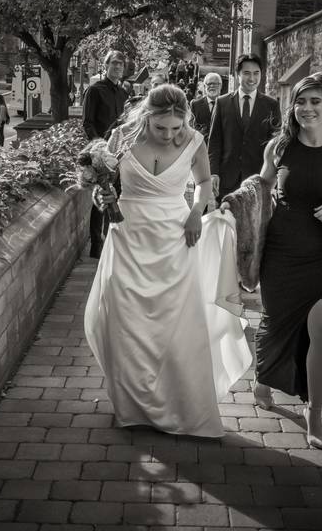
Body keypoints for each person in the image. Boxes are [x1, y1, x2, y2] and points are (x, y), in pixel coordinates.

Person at [85, 84, 252, 437]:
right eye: (161, 128)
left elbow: (204, 181)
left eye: (176, 128)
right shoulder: (122, 137)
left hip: (177, 239)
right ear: (146, 117)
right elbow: (104, 186)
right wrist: (101, 197)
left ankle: (178, 405)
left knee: (174, 327)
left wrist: (196, 212)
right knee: (125, 323)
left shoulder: (193, 141)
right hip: (128, 236)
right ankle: (131, 408)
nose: (169, 134)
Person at [238, 72, 322, 450]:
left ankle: (315, 411)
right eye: (301, 101)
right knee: (277, 325)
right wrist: (235, 203)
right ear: (292, 107)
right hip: (281, 251)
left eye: (315, 102)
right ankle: (264, 378)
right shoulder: (278, 148)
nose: (307, 108)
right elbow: (258, 191)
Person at [207, 54, 281, 202]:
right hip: (226, 179)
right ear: (238, 74)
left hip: (258, 180)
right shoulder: (223, 102)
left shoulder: (271, 105)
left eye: (256, 73)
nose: (252, 78)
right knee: (225, 222)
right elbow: (214, 140)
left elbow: (276, 144)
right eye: (247, 73)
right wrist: (213, 172)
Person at [81, 50, 128, 258]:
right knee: (100, 198)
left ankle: (111, 240)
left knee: (115, 195)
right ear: (106, 65)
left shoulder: (124, 93)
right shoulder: (94, 90)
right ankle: (97, 246)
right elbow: (87, 123)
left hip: (119, 154)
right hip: (101, 153)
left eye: (121, 64)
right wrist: (99, 148)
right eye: (114, 63)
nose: (118, 67)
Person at [190, 72, 222, 143]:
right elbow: (191, 127)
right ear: (204, 87)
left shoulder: (228, 104)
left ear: (220, 86)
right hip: (201, 146)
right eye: (209, 84)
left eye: (215, 84)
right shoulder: (195, 104)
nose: (212, 86)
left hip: (221, 148)